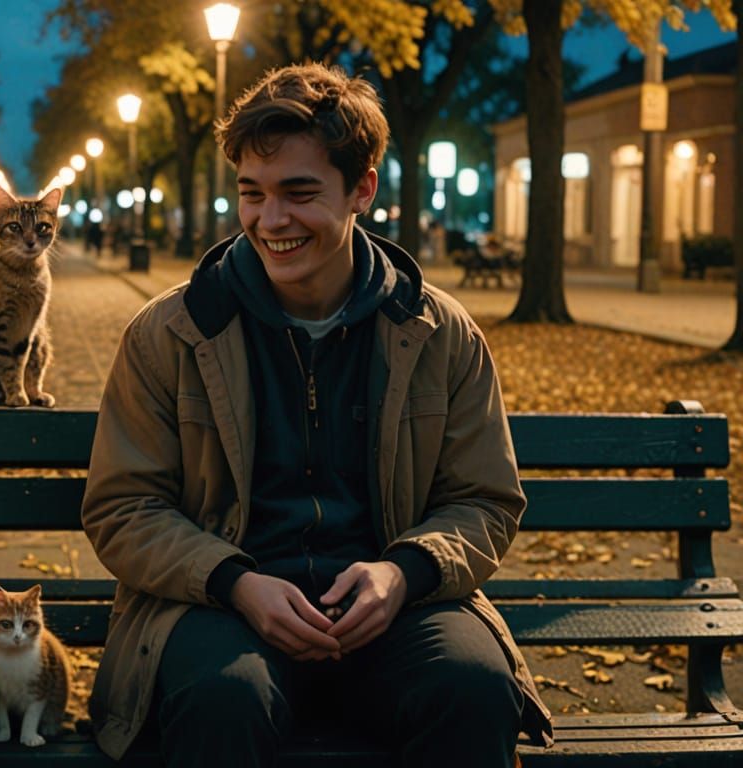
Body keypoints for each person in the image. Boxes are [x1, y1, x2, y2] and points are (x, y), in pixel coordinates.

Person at [80, 62, 553, 768]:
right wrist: (235, 582)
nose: (271, 221)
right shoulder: (171, 332)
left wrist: (404, 573)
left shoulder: (438, 332)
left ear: (362, 189)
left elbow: (485, 500)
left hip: (394, 611)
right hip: (222, 610)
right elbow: (122, 506)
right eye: (252, 193)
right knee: (222, 699)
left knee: (473, 687)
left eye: (299, 194)